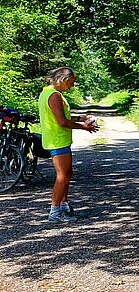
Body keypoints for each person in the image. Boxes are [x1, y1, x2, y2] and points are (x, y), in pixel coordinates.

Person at [38, 66, 99, 223]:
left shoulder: (47, 93)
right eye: (71, 82)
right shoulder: (54, 96)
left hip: (58, 139)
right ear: (63, 80)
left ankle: (64, 206)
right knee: (62, 177)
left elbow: (62, 115)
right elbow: (62, 122)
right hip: (57, 140)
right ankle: (55, 212)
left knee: (67, 174)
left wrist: (80, 118)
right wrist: (84, 127)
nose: (72, 86)